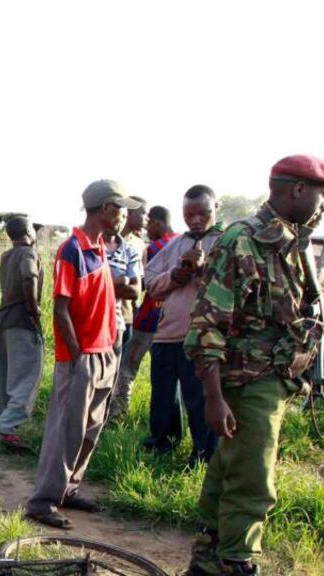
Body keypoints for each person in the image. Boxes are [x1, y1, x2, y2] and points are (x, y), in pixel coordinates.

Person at [180, 155, 324, 576]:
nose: (323, 205)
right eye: (321, 195)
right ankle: (236, 560)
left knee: (229, 468)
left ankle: (209, 557)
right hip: (250, 380)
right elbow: (207, 326)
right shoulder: (243, 239)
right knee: (253, 478)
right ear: (298, 190)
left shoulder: (291, 243)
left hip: (274, 377)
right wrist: (213, 398)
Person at [25, 179, 142, 530]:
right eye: (121, 208)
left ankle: (69, 489)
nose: (125, 215)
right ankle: (42, 501)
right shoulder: (72, 249)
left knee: (90, 428)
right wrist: (76, 356)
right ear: (105, 209)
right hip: (83, 356)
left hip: (105, 351)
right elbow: (60, 308)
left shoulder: (100, 248)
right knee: (66, 430)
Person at [143, 185, 222, 465]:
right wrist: (175, 275)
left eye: (203, 212)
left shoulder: (226, 243)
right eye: (189, 214)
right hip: (167, 333)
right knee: (163, 395)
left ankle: (202, 454)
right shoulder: (175, 244)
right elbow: (150, 282)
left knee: (199, 398)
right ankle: (162, 443)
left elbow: (231, 288)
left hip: (203, 336)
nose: (196, 219)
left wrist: (201, 271)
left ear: (217, 209)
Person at [109, 206, 179, 422]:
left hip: (149, 318)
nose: (147, 229)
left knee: (126, 370)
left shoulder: (157, 247)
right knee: (171, 377)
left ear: (157, 222)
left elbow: (143, 285)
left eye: (149, 223)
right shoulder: (183, 243)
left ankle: (117, 416)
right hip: (176, 321)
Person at [0, 216, 44, 448]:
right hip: (22, 320)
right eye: (33, 229)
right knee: (28, 376)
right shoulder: (28, 254)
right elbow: (29, 277)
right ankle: (8, 426)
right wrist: (34, 309)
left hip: (2, 321)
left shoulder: (6, 256)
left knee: (2, 378)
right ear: (27, 232)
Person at [104, 211, 142, 358]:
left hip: (116, 322)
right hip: (90, 322)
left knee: (111, 375)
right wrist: (119, 281)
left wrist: (100, 287)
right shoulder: (89, 246)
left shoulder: (129, 251)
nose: (120, 221)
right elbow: (83, 288)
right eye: (116, 215)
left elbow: (134, 291)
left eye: (124, 216)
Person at [119, 197, 149, 345]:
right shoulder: (105, 240)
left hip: (128, 316)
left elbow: (141, 282)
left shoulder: (139, 245)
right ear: (129, 213)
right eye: (143, 213)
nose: (147, 218)